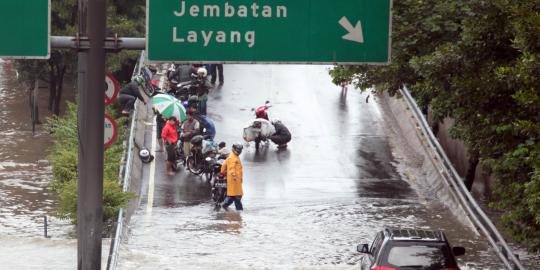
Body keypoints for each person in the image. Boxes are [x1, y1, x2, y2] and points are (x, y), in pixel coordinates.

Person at [220, 143, 244, 211]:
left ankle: (224, 207)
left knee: (232, 196)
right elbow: (231, 168)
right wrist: (234, 175)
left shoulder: (234, 156)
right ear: (234, 149)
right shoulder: (232, 157)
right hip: (234, 179)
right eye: (238, 150)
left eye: (240, 150)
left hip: (235, 179)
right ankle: (239, 212)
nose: (239, 151)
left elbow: (224, 166)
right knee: (237, 196)